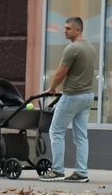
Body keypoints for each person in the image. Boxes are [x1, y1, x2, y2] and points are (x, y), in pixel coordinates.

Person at [40, 16, 96, 183]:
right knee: (81, 136)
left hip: (72, 95)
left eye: (68, 28)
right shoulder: (90, 47)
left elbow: (60, 73)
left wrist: (52, 88)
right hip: (87, 96)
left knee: (56, 131)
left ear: (78, 30)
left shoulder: (72, 48)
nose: (64, 31)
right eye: (64, 28)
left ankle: (57, 170)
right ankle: (81, 172)